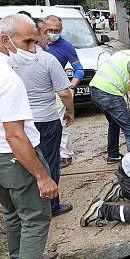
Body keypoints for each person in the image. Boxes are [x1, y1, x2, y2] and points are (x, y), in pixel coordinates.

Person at [0, 14, 60, 259]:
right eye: (28, 41)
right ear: (6, 40)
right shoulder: (9, 79)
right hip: (14, 157)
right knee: (36, 217)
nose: (34, 49)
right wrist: (41, 175)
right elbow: (16, 136)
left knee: (13, 212)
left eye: (36, 40)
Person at [10, 17, 75, 217]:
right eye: (45, 32)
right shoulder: (47, 59)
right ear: (37, 35)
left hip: (19, 121)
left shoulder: (9, 59)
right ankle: (51, 206)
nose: (49, 36)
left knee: (25, 160)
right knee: (49, 162)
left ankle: (26, 204)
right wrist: (70, 111)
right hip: (46, 120)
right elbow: (64, 92)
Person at [44, 15, 84, 168]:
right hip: (38, 91)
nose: (53, 33)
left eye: (57, 30)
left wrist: (71, 86)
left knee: (62, 122)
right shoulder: (37, 44)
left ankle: (65, 155)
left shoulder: (66, 46)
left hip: (57, 91)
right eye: (50, 30)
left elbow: (79, 69)